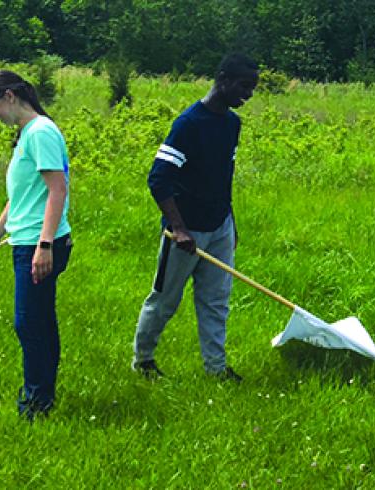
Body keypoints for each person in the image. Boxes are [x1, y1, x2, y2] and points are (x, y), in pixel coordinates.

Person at [132, 54, 259, 382]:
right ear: (223, 79)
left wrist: (230, 224)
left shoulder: (232, 124)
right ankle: (143, 360)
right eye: (244, 86)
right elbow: (158, 178)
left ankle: (216, 370)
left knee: (216, 302)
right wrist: (178, 228)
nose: (249, 94)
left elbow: (222, 179)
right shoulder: (189, 124)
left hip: (219, 228)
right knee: (164, 301)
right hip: (184, 233)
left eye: (253, 88)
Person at [0, 70, 73, 420]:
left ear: (11, 97)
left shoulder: (41, 132)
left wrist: (44, 246)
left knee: (30, 323)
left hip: (39, 244)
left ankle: (36, 403)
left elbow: (56, 190)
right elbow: (21, 197)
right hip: (26, 240)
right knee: (38, 321)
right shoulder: (28, 133)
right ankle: (40, 396)